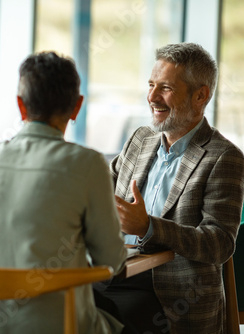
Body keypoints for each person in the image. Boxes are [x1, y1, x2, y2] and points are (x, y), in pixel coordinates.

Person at [0, 52, 128, 334]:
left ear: (21, 107)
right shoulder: (88, 164)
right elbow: (111, 262)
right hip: (60, 325)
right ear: (77, 107)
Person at [95, 42, 244, 334]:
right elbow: (100, 190)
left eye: (165, 88)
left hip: (171, 296)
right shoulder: (140, 139)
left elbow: (219, 243)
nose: (151, 97)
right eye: (151, 84)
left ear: (201, 95)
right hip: (114, 272)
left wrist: (148, 226)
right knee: (57, 303)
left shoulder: (223, 157)